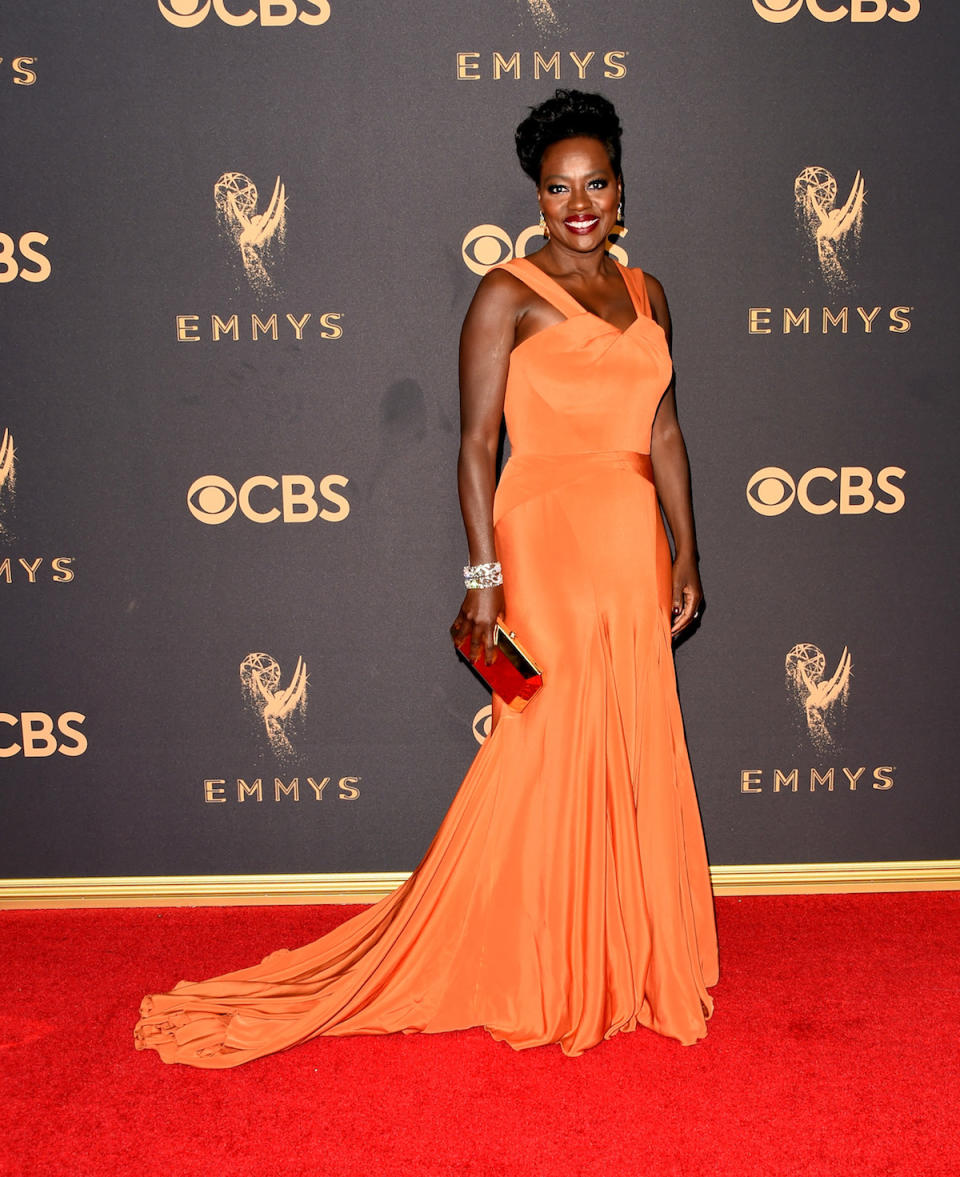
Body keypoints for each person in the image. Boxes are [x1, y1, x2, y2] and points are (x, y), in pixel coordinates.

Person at [135, 89, 718, 1069]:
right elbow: (478, 445)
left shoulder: (651, 293)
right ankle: (545, 956)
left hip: (630, 539)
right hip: (546, 538)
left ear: (621, 189)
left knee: (628, 733)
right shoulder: (507, 292)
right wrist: (485, 578)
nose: (579, 204)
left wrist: (689, 548)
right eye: (556, 188)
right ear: (537, 196)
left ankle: (627, 955)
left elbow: (663, 425)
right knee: (551, 743)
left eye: (596, 184)